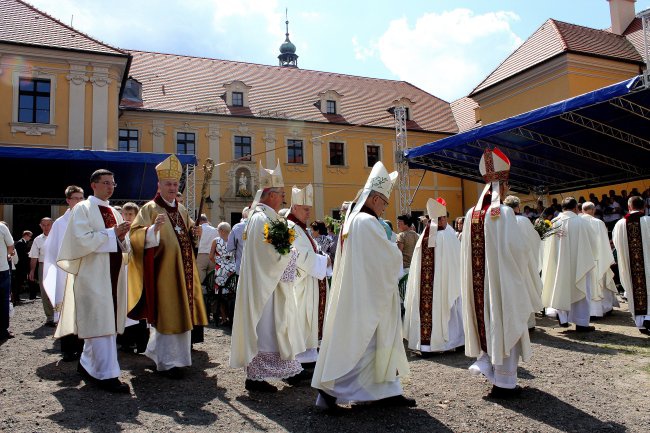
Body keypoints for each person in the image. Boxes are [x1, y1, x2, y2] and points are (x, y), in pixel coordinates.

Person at [312, 161, 415, 411]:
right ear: (375, 199)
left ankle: (385, 391)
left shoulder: (354, 220)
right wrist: (394, 249)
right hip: (369, 297)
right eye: (385, 203)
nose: (384, 209)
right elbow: (384, 258)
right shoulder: (367, 223)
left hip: (362, 292)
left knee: (372, 345)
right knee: (364, 346)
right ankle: (330, 392)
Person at [460, 148, 541, 397]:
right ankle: (505, 383)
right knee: (505, 322)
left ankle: (487, 363)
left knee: (487, 320)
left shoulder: (471, 214)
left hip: (479, 286)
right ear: (503, 186)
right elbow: (517, 250)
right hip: (502, 284)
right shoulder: (503, 213)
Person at [128, 154, 208, 379]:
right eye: (168, 184)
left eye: (175, 184)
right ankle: (166, 362)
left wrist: (196, 234)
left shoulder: (181, 210)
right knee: (168, 314)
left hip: (184, 272)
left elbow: (188, 238)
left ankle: (180, 359)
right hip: (163, 272)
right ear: (159, 185)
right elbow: (134, 237)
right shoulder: (150, 209)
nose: (173, 188)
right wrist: (151, 230)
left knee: (182, 314)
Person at [230, 161, 306, 393]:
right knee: (266, 328)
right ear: (270, 194)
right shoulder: (261, 218)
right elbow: (267, 254)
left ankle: (280, 370)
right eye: (281, 194)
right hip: (265, 286)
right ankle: (256, 377)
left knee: (277, 326)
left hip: (272, 283)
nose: (283, 198)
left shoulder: (267, 216)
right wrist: (290, 256)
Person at [54, 169, 131, 393]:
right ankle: (107, 375)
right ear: (93, 185)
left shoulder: (114, 212)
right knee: (100, 322)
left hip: (112, 275)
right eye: (106, 183)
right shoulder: (83, 209)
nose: (110, 187)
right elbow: (79, 241)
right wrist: (112, 234)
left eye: (113, 184)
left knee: (104, 324)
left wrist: (122, 237)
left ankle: (87, 364)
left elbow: (120, 243)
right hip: (93, 275)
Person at [403, 197, 464, 355]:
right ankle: (448, 343)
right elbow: (458, 263)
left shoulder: (425, 237)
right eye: (443, 218)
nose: (445, 220)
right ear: (440, 219)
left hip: (429, 289)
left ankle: (427, 346)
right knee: (447, 311)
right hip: (442, 287)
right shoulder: (447, 236)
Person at [287, 185, 329, 368]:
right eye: (305, 209)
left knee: (309, 320)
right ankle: (301, 360)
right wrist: (323, 261)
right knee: (303, 319)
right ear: (294, 207)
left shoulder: (300, 228)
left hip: (311, 282)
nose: (308, 213)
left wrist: (321, 259)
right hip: (302, 284)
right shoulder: (291, 228)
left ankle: (310, 357)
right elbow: (299, 257)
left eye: (310, 209)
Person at [42, 185, 85, 361]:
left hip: (84, 272)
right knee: (68, 311)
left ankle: (82, 348)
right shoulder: (60, 223)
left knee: (83, 311)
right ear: (68, 200)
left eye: (82, 198)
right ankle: (68, 349)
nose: (79, 201)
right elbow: (51, 250)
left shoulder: (88, 219)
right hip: (65, 273)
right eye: (75, 198)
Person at [542, 197, 597, 331]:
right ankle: (582, 323)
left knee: (561, 288)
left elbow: (547, 247)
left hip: (559, 265)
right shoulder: (582, 222)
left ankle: (563, 319)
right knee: (581, 289)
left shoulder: (554, 222)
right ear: (575, 208)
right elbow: (592, 243)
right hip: (579, 263)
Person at [503, 195, 543, 330]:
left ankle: (514, 324)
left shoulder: (501, 221)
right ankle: (528, 323)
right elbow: (533, 242)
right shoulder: (523, 221)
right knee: (526, 289)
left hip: (508, 263)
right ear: (518, 206)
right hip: (524, 263)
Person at [612, 196, 650, 335]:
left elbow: (616, 244)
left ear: (629, 207)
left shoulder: (620, 224)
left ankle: (640, 322)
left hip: (630, 267)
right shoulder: (648, 221)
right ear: (644, 207)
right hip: (648, 264)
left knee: (635, 291)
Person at [117, 202, 149, 354]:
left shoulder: (141, 231)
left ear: (136, 215)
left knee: (140, 310)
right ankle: (126, 342)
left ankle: (142, 343)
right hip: (122, 274)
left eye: (131, 214)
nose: (128, 217)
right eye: (126, 214)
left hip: (138, 275)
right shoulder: (116, 231)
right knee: (124, 309)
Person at [581, 201, 618, 318]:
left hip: (584, 260)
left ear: (582, 210)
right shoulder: (599, 223)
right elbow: (605, 243)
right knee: (601, 283)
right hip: (599, 259)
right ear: (593, 210)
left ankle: (588, 311)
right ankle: (604, 308)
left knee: (586, 286)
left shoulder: (579, 222)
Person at [28, 217, 55, 326]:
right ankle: (50, 317)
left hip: (57, 265)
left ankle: (59, 315)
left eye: (48, 224)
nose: (46, 227)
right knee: (44, 292)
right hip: (43, 266)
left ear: (52, 225)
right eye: (43, 225)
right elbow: (34, 256)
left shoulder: (59, 237)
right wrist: (32, 270)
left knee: (58, 291)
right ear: (40, 226)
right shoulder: (37, 239)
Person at [209, 222, 235, 326]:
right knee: (231, 294)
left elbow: (211, 256)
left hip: (221, 270)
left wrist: (218, 263)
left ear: (221, 231)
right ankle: (231, 317)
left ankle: (224, 318)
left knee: (219, 295)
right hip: (232, 270)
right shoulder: (233, 240)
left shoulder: (216, 241)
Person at [0, 221, 15, 341]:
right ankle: (3, 330)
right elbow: (11, 246)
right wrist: (7, 255)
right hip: (2, 268)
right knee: (4, 300)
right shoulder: (2, 227)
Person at [196, 214, 218, 292]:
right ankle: (211, 297)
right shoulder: (216, 229)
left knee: (201, 279)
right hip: (212, 255)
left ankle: (203, 298)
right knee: (211, 278)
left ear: (200, 221)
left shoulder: (199, 228)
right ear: (206, 220)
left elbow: (195, 242)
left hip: (201, 255)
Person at [227, 207, 249, 277]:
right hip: (257, 268)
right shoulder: (261, 225)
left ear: (243, 216)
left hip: (241, 266)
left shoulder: (237, 227)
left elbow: (230, 247)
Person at [12, 230, 32, 305]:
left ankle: (17, 297)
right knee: (18, 282)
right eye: (30, 236)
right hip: (20, 266)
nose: (30, 238)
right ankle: (16, 297)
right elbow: (21, 255)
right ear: (25, 235)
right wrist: (28, 254)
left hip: (22, 266)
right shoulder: (20, 243)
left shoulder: (23, 243)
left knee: (20, 282)